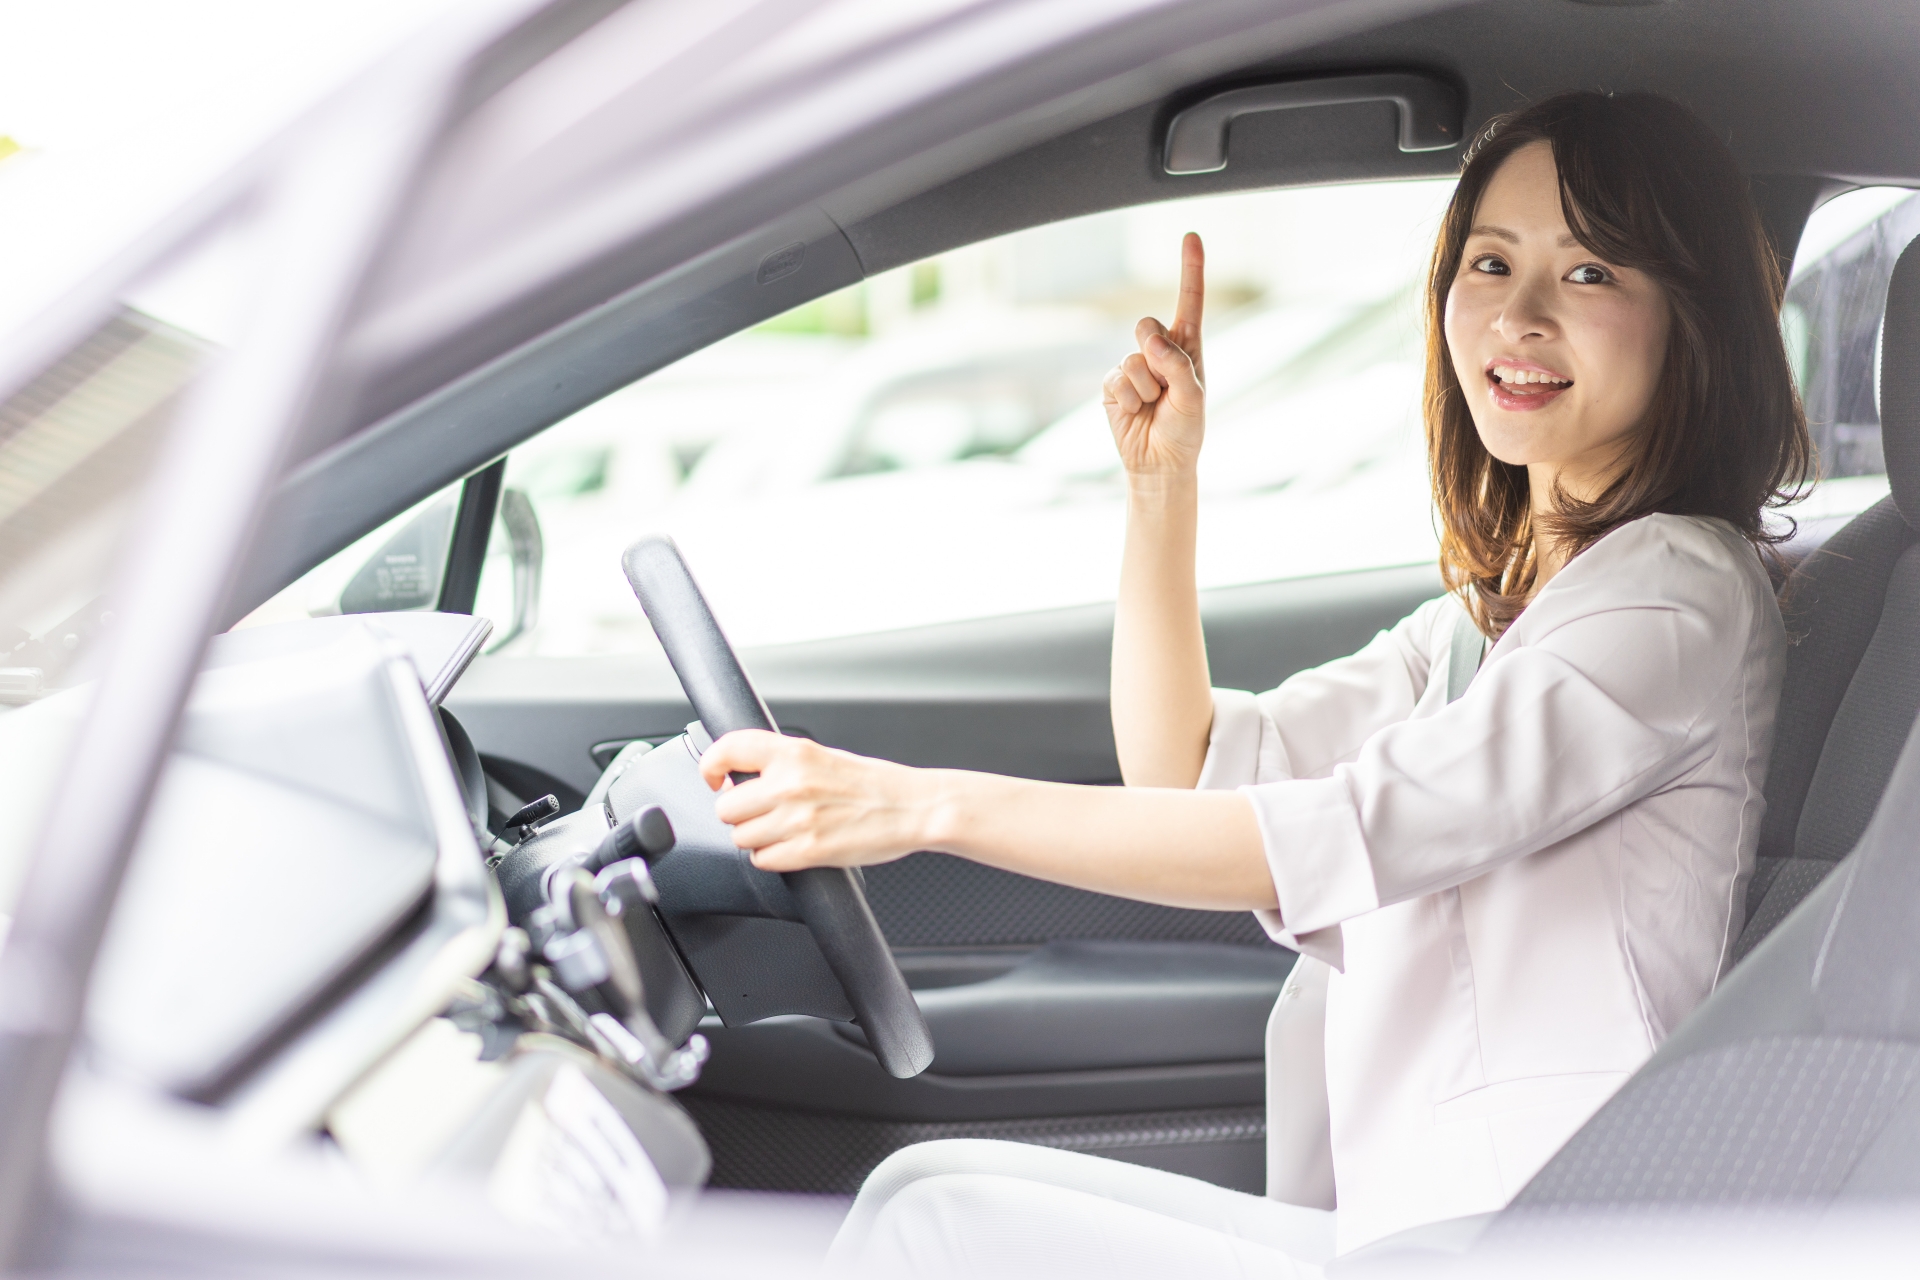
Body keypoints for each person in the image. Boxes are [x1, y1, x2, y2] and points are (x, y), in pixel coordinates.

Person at [699, 91, 1812, 1274]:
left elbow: (1326, 832)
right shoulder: (1480, 627)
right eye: (1490, 261)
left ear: (1694, 323)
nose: (1518, 314)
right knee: (922, 1187)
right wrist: (1161, 487)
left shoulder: (1675, 597)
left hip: (1544, 1225)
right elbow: (1187, 772)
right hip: (1412, 1214)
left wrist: (917, 807)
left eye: (1590, 274)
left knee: (932, 1219)